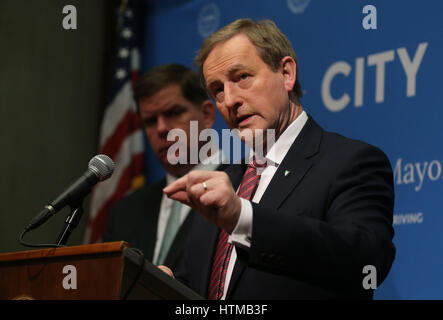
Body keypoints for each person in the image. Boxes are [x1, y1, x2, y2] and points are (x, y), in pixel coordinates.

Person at [162, 19, 396, 299]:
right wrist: (165, 289)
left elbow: (366, 264)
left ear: (286, 74)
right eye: (218, 90)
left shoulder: (351, 163)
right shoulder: (224, 182)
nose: (230, 99)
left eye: (241, 77)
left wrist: (243, 218)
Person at [103, 64, 223, 272]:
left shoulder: (246, 188)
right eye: (150, 121)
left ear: (207, 115)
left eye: (173, 113)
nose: (161, 129)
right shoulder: (125, 212)